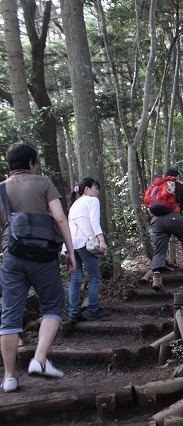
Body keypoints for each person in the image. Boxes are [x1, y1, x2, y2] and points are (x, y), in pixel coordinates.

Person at [0, 143, 76, 393]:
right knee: (53, 306)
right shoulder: (43, 183)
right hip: (42, 257)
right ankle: (39, 360)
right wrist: (70, 252)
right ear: (32, 163)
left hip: (12, 255)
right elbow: (60, 217)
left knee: (10, 316)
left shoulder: (1, 189)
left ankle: (10, 377)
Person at [147, 168, 183, 290]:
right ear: (176, 177)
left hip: (157, 220)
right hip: (175, 217)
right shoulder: (180, 186)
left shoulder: (155, 188)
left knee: (159, 248)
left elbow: (149, 206)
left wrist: (154, 218)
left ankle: (156, 278)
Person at [67, 178, 109, 323]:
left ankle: (73, 313)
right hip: (84, 244)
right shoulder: (92, 201)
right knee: (95, 276)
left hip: (70, 245)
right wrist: (101, 240)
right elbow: (94, 222)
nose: (97, 192)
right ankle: (93, 310)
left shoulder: (74, 205)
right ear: (86, 189)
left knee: (75, 279)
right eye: (96, 188)